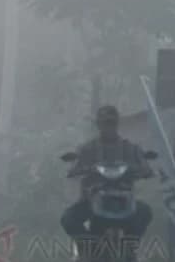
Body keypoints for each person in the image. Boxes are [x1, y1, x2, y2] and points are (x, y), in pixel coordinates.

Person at [60, 105, 154, 261]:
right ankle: (88, 248)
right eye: (105, 123)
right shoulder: (87, 148)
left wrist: (144, 170)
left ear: (117, 124)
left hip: (125, 200)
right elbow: (74, 167)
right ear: (98, 125)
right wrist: (77, 169)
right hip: (92, 200)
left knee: (145, 212)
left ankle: (129, 247)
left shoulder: (130, 147)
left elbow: (145, 165)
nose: (108, 127)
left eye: (111, 123)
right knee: (68, 218)